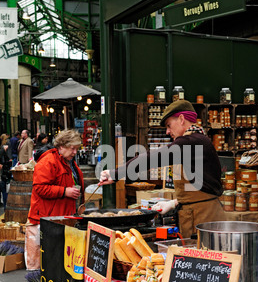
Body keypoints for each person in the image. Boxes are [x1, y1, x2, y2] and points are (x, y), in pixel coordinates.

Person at [100, 100, 226, 238]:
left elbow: (152, 158)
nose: (167, 131)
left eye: (169, 125)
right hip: (196, 214)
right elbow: (203, 186)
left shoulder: (192, 141)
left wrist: (116, 173)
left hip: (204, 217)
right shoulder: (196, 140)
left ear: (181, 119)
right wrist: (173, 203)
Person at [26, 129, 84, 270]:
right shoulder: (48, 161)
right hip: (47, 218)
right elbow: (39, 188)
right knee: (45, 264)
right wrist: (65, 191)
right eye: (72, 148)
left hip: (61, 217)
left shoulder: (68, 161)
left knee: (58, 263)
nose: (75, 152)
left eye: (77, 149)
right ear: (61, 146)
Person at [0, 142, 11, 209]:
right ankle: (5, 207)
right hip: (4, 174)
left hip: (4, 174)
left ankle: (5, 206)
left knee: (4, 191)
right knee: (4, 191)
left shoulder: (3, 152)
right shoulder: (3, 153)